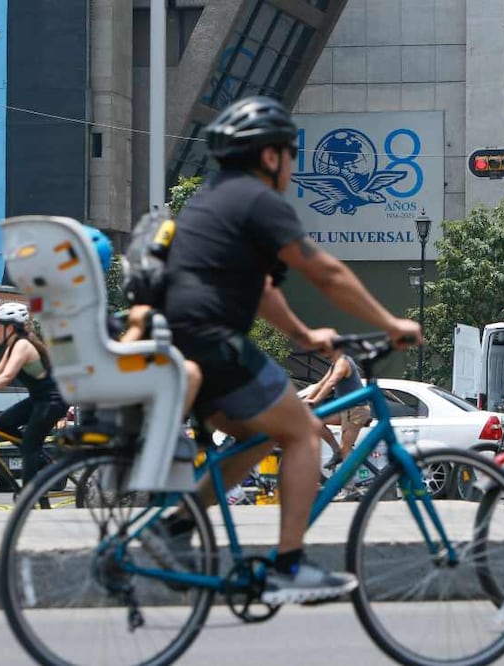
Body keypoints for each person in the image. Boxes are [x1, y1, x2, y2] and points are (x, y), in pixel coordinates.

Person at [147, 95, 421, 605]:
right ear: (270, 157)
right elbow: (326, 271)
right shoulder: (258, 200)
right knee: (302, 431)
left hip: (182, 337)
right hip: (212, 338)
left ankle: (176, 527)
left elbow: (262, 288)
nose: (294, 164)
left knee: (258, 437)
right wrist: (390, 322)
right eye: (291, 153)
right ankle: (288, 566)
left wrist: (302, 334)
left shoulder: (211, 199)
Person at [0, 302, 68, 486]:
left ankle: (28, 495)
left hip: (53, 401)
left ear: (11, 327)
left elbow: (7, 377)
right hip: (38, 399)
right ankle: (38, 455)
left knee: (30, 446)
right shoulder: (13, 345)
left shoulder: (23, 345)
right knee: (3, 423)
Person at [301, 354, 372, 471]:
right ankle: (336, 450)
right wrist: (305, 401)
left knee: (346, 450)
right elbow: (322, 383)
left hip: (356, 410)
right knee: (314, 419)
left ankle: (349, 487)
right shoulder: (335, 364)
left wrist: (315, 401)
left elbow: (331, 383)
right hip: (345, 410)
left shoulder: (343, 362)